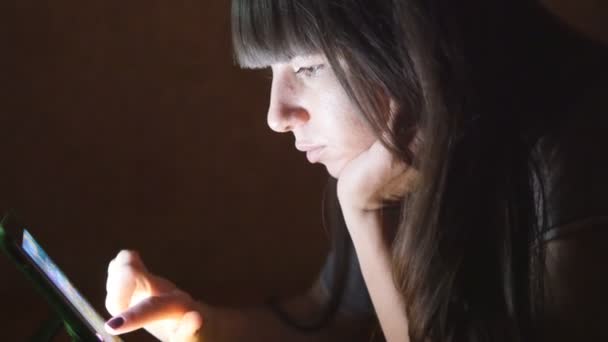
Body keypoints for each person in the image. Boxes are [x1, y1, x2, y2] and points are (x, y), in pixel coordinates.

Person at [103, 0, 608, 341]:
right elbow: (337, 316)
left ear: (411, 46)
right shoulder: (394, 159)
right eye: (270, 72)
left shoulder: (577, 146)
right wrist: (201, 325)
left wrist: (363, 213)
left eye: (307, 67)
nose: (276, 116)